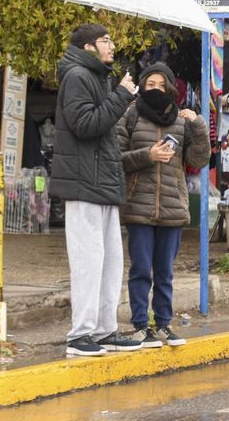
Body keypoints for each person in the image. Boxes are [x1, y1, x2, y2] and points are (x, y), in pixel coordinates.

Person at [52, 23, 142, 357]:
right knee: (88, 260)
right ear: (90, 46)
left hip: (101, 181)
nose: (113, 46)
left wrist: (118, 95)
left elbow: (101, 125)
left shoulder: (98, 77)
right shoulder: (77, 76)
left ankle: (105, 330)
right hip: (83, 183)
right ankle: (80, 335)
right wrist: (120, 96)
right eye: (107, 40)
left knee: (109, 260)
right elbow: (86, 124)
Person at [117, 63, 210, 347]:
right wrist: (148, 155)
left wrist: (199, 125)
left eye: (161, 85)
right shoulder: (130, 115)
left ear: (170, 88)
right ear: (142, 86)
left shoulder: (181, 121)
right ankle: (140, 326)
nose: (156, 90)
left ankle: (164, 325)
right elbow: (115, 158)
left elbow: (198, 160)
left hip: (172, 207)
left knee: (165, 272)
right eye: (150, 85)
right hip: (138, 206)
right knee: (141, 269)